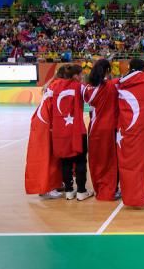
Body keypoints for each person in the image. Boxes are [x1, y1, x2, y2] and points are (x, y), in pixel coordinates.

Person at [117, 58, 144, 207]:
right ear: (143, 68)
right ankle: (142, 193)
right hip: (142, 128)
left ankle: (128, 192)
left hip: (124, 129)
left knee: (126, 161)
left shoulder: (120, 81)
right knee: (143, 161)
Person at [50, 64, 93, 201]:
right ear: (75, 76)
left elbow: (46, 94)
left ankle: (68, 191)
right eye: (80, 75)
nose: (81, 77)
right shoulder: (79, 86)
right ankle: (81, 191)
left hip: (59, 131)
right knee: (80, 161)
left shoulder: (54, 86)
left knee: (65, 162)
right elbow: (91, 97)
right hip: (76, 130)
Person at [24, 66, 64, 198]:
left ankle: (53, 183)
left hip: (42, 123)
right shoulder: (57, 86)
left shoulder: (51, 84)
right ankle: (46, 188)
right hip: (46, 124)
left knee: (50, 155)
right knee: (49, 155)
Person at [83, 59, 119, 201]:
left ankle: (99, 189)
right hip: (109, 129)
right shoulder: (113, 85)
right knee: (109, 161)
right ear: (107, 71)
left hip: (94, 129)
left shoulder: (87, 89)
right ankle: (109, 191)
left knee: (95, 160)